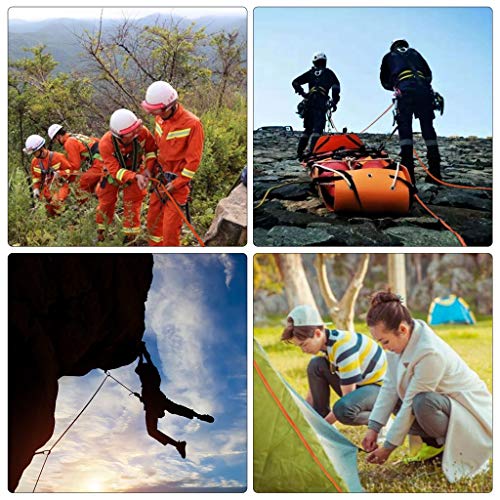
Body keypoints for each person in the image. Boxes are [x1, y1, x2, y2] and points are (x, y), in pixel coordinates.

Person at [361, 291, 492, 482]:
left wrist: (388, 448)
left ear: (403, 329)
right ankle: (433, 445)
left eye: (385, 341)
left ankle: (445, 449)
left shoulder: (430, 352)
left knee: (422, 402)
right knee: (401, 395)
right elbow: (389, 386)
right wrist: (373, 427)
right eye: (380, 342)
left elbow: (411, 402)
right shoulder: (397, 344)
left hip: (470, 414)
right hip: (443, 406)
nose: (384, 347)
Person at [281, 305, 387, 427]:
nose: (303, 350)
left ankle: (379, 419)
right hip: (361, 385)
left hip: (380, 389)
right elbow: (312, 395)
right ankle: (320, 418)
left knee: (343, 410)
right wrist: (303, 420)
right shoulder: (326, 346)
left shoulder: (343, 348)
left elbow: (348, 399)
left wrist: (322, 427)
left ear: (317, 333)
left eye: (304, 345)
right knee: (315, 365)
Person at [141, 81, 204, 246]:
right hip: (160, 180)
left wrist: (177, 183)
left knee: (170, 231)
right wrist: (149, 169)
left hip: (177, 186)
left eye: (155, 110)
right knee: (153, 224)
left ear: (168, 107)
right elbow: (156, 148)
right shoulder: (159, 118)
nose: (153, 113)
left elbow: (193, 162)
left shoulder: (192, 124)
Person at [134, 342, 215, 459]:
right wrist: (142, 350)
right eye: (160, 415)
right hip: (155, 397)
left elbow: (144, 360)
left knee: (155, 428)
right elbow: (146, 360)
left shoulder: (148, 377)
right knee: (166, 416)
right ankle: (178, 444)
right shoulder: (150, 377)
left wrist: (142, 351)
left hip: (154, 398)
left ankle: (178, 444)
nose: (159, 415)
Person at [380, 39, 442, 186]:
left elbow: (384, 80)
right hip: (424, 90)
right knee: (428, 128)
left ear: (393, 47)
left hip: (405, 90)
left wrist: (396, 84)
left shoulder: (389, 56)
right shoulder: (415, 52)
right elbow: (428, 73)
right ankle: (435, 172)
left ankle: (409, 173)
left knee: (405, 129)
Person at [97, 108, 157, 243]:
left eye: (136, 128)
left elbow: (151, 151)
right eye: (132, 132)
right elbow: (115, 170)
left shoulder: (142, 132)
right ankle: (101, 232)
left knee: (133, 202)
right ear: (120, 136)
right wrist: (134, 177)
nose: (137, 132)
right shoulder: (105, 144)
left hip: (137, 169)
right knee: (106, 201)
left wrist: (148, 169)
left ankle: (130, 239)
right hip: (114, 174)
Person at [292, 52, 341, 160]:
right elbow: (336, 87)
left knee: (307, 129)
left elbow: (295, 82)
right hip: (320, 103)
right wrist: (334, 101)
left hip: (309, 103)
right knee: (317, 129)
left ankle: (300, 153)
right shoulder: (328, 73)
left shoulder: (311, 73)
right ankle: (312, 152)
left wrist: (303, 93)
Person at [47, 123, 104, 197]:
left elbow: (75, 166)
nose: (56, 143)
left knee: (80, 186)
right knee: (90, 184)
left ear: (58, 136)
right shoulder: (75, 136)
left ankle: (81, 207)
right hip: (103, 157)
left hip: (100, 162)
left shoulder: (69, 143)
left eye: (55, 141)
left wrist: (62, 173)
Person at [24, 134, 72, 216]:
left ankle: (67, 219)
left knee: (56, 201)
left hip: (61, 186)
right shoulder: (35, 162)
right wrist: (36, 189)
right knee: (44, 211)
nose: (34, 155)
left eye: (35, 152)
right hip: (47, 189)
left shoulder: (58, 157)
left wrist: (60, 173)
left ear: (42, 148)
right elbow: (36, 178)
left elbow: (70, 171)